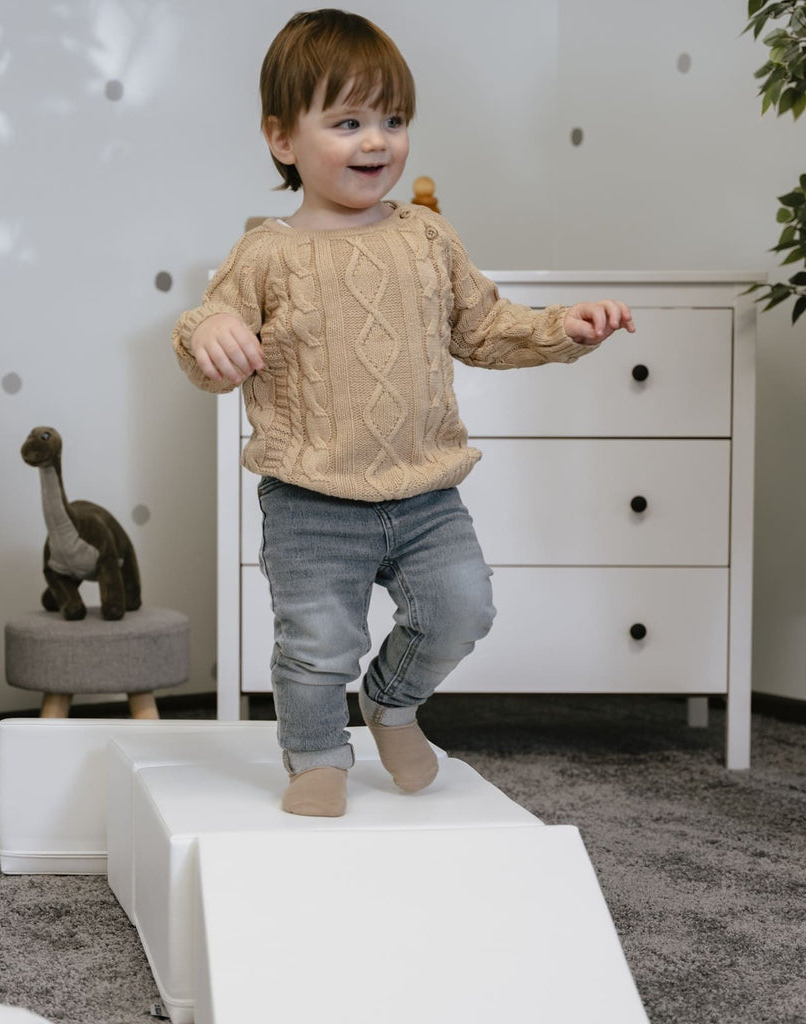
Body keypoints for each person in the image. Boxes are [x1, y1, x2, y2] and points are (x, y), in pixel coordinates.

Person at [172, 9, 635, 818]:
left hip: (424, 492)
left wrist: (564, 327)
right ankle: (317, 756)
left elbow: (485, 328)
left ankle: (391, 704)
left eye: (392, 120)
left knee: (464, 606)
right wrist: (209, 333)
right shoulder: (265, 252)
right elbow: (206, 332)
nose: (376, 141)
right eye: (347, 122)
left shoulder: (427, 237)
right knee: (318, 646)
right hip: (311, 497)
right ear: (283, 139)